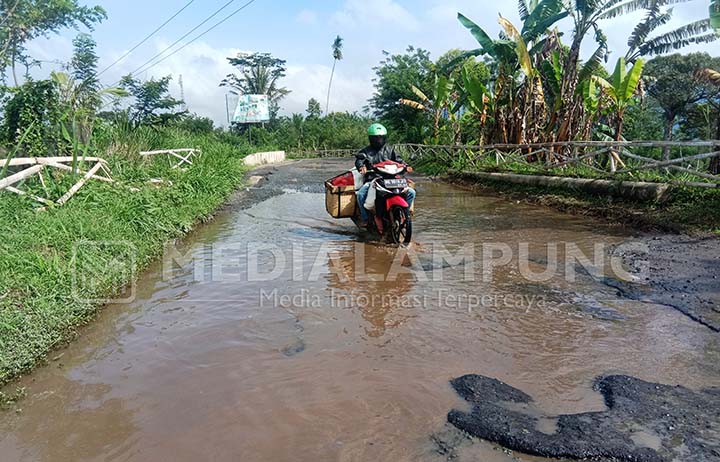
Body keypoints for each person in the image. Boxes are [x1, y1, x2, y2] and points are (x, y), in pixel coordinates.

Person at [355, 123, 416, 227]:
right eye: (376, 138)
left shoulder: (390, 150)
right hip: (373, 179)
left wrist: (406, 166)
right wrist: (361, 167)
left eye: (381, 137)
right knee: (361, 195)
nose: (378, 140)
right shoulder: (365, 151)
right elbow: (360, 160)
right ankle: (365, 219)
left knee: (411, 193)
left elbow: (399, 160)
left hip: (391, 179)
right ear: (371, 138)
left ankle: (404, 214)